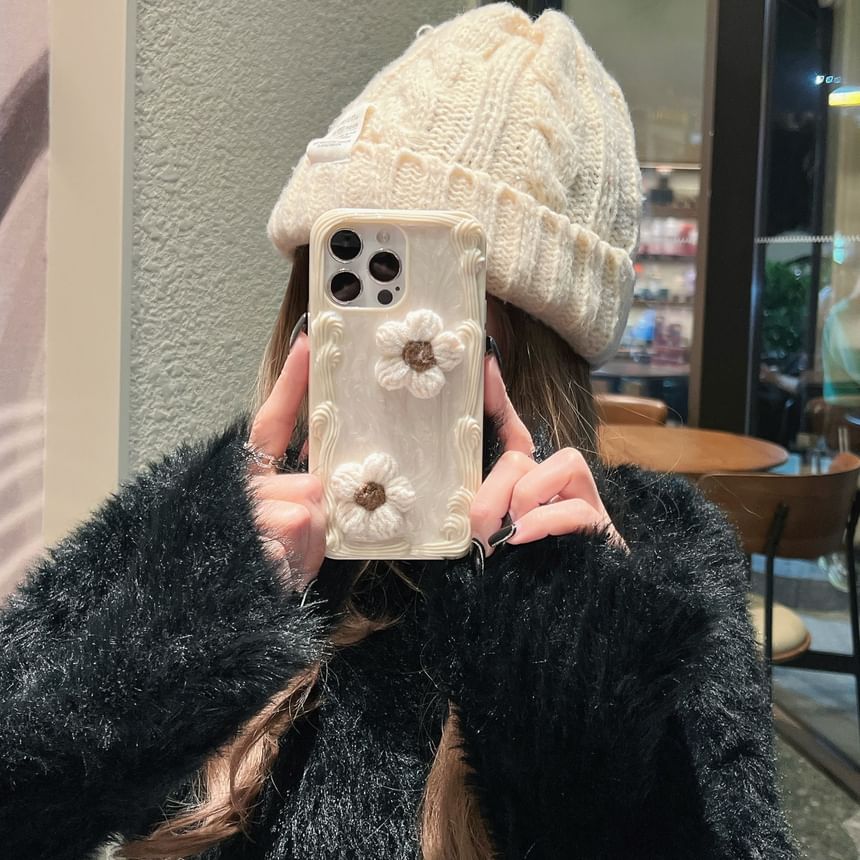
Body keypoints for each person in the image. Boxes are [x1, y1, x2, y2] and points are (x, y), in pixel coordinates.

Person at [0, 5, 795, 859]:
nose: (387, 344)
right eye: (348, 280)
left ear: (528, 343)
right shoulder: (211, 525)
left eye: (428, 293)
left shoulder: (657, 561)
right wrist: (188, 622)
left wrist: (578, 680)